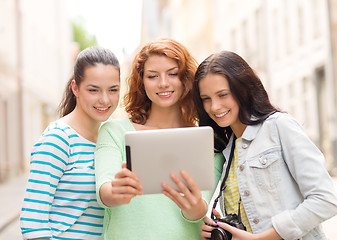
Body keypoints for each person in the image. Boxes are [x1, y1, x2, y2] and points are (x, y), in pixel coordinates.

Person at [192, 50, 337, 239]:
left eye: (223, 95)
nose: (214, 107)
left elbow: (326, 200)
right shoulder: (228, 152)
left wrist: (262, 238)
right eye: (206, 99)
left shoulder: (279, 126)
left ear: (243, 90)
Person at [94, 38, 224, 240]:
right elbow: (105, 191)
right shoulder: (114, 131)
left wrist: (196, 208)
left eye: (173, 74)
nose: (163, 83)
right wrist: (116, 191)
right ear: (141, 81)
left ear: (187, 78)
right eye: (153, 76)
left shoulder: (207, 141)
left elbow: (201, 208)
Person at [20, 46, 121, 240]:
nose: (104, 99)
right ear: (75, 88)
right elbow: (33, 221)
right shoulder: (58, 139)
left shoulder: (108, 141)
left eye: (113, 90)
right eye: (94, 90)